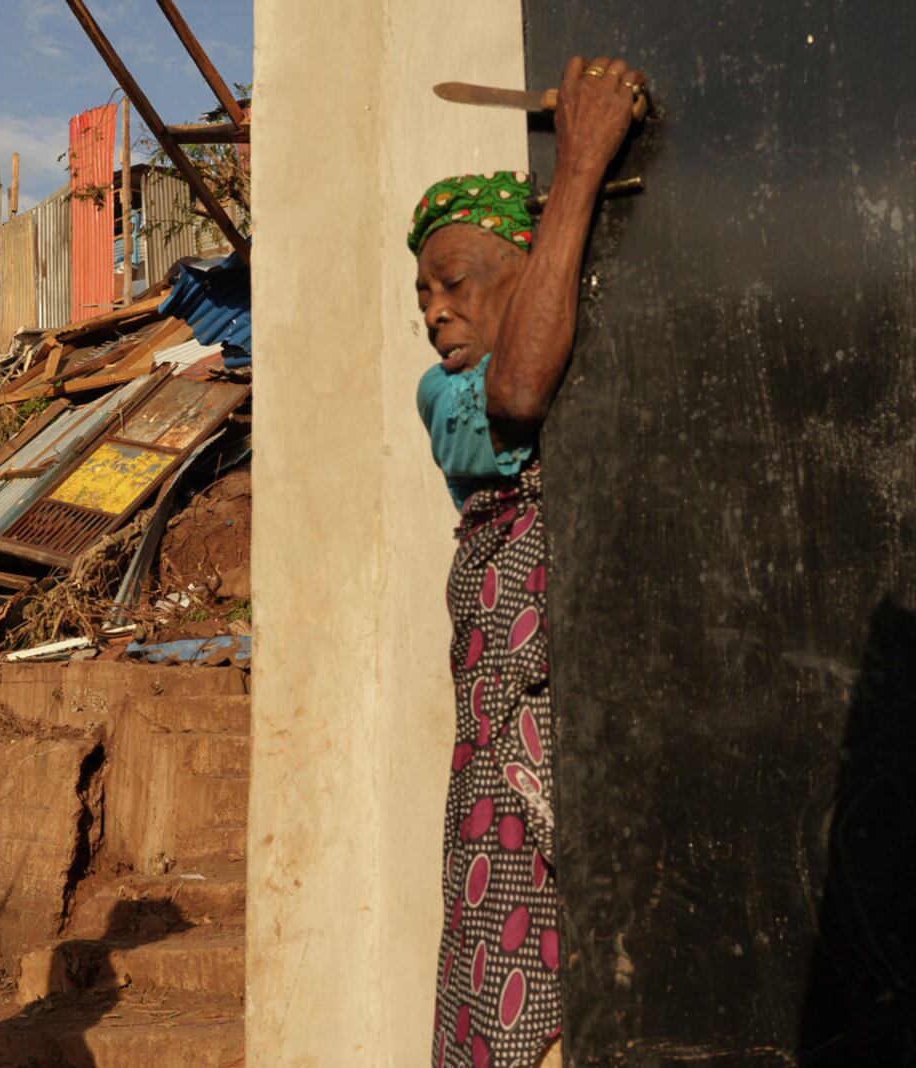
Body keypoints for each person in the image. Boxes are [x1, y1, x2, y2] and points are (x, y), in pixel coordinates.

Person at [409, 55, 647, 1068]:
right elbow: (520, 393)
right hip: (512, 733)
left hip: (593, 714)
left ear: (526, 269)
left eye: (454, 283)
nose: (432, 311)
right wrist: (583, 165)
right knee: (512, 933)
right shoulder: (449, 398)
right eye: (421, 291)